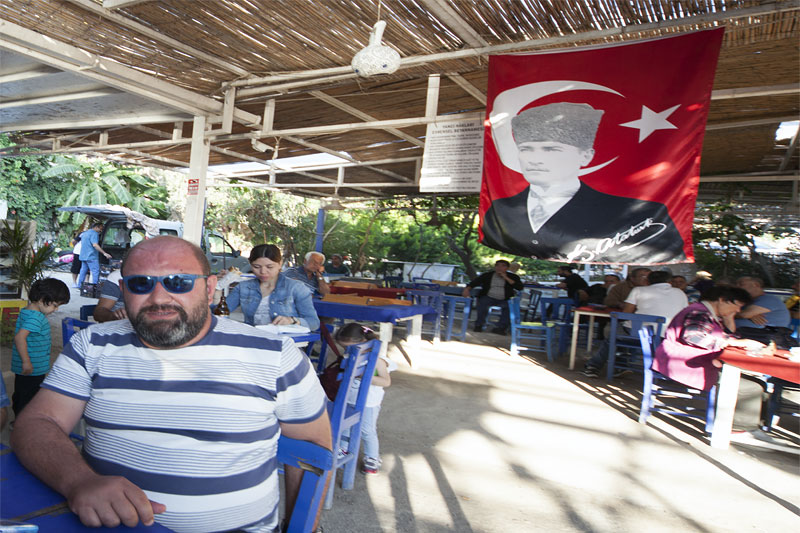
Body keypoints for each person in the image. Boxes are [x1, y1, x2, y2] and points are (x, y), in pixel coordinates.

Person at [11, 236, 331, 532]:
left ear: (209, 288)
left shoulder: (275, 355)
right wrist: (78, 481)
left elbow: (311, 452)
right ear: (123, 290)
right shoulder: (92, 344)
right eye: (141, 283)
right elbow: (37, 422)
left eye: (178, 282)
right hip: (114, 526)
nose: (159, 297)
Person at [481, 102, 685, 264]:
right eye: (526, 149)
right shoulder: (500, 209)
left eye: (551, 149)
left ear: (586, 156)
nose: (535, 159)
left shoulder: (642, 214)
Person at [653, 286, 767, 432]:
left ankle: (753, 426)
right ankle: (737, 429)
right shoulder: (698, 312)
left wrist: (729, 319)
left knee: (758, 383)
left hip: (694, 359)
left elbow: (727, 336)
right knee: (751, 388)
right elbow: (693, 337)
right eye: (737, 306)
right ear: (722, 300)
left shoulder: (708, 313)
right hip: (684, 362)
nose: (739, 311)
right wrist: (733, 342)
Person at [581, 270, 687, 378]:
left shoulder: (639, 290)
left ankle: (593, 366)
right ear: (669, 281)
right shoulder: (680, 293)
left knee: (615, 334)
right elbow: (684, 314)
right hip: (666, 338)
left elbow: (626, 314)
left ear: (648, 280)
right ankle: (620, 366)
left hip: (638, 335)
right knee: (621, 331)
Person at [334, 323, 396, 475]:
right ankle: (342, 449)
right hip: (350, 398)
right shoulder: (351, 356)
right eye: (344, 348)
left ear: (363, 342)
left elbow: (386, 381)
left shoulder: (377, 360)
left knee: (367, 430)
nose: (347, 351)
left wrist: (364, 376)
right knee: (345, 426)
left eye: (350, 347)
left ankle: (372, 457)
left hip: (370, 402)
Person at [221, 244, 320, 331]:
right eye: (256, 266)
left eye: (270, 267)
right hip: (253, 340)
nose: (263, 271)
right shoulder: (244, 287)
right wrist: (218, 287)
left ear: (280, 264)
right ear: (250, 264)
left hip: (286, 343)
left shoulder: (296, 288)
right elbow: (219, 315)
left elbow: (314, 323)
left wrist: (292, 320)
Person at [11, 278, 70, 416]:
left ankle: (18, 421)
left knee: (21, 393)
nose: (56, 310)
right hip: (32, 367)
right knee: (29, 398)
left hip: (25, 366)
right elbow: (20, 337)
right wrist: (27, 362)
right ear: (43, 299)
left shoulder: (27, 311)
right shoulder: (36, 318)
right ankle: (23, 424)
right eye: (55, 305)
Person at [462, 259, 523, 334]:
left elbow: (519, 287)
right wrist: (467, 289)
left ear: (507, 268)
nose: (499, 268)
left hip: (504, 298)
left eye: (503, 266)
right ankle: (479, 325)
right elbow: (475, 282)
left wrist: (506, 277)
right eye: (497, 265)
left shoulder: (513, 276)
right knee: (482, 303)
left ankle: (501, 328)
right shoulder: (488, 275)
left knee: (509, 307)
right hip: (489, 296)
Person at [734, 276, 795, 348]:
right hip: (744, 337)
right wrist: (749, 315)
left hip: (763, 341)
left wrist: (745, 314)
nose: (736, 287)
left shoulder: (769, 299)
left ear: (756, 285)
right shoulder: (747, 302)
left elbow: (743, 314)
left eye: (741, 284)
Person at [77, 221, 112, 288]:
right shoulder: (94, 234)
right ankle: (95, 287)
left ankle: (79, 285)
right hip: (91, 256)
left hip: (83, 256)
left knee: (83, 271)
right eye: (100, 229)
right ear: (96, 227)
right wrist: (104, 253)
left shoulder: (85, 233)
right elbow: (95, 245)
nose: (101, 230)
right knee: (95, 272)